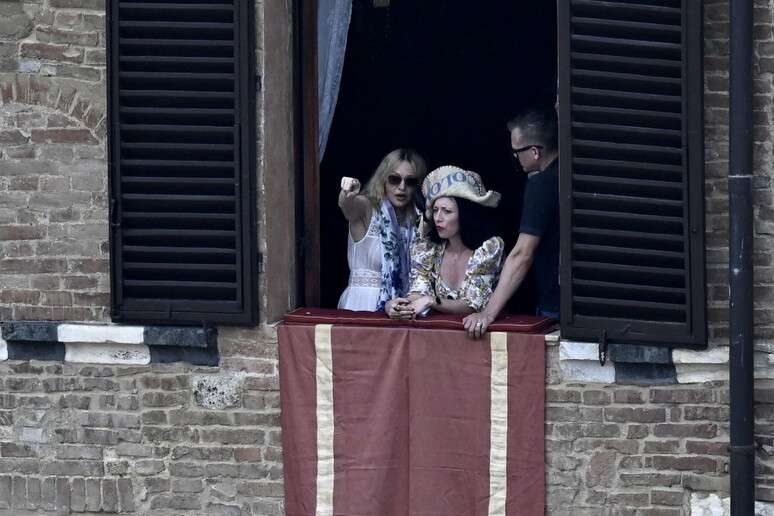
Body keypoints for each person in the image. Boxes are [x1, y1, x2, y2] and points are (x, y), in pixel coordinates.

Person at [464, 107, 559, 338]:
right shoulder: (570, 173)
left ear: (535, 152)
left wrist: (488, 313)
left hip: (555, 305)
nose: (515, 158)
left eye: (517, 152)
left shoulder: (541, 184)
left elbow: (522, 254)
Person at [385, 166, 504, 320]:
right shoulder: (428, 247)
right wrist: (396, 306)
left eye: (447, 211)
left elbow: (473, 305)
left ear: (465, 215)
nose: (438, 218)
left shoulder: (489, 248)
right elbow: (419, 292)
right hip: (441, 332)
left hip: (482, 332)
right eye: (435, 210)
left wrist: (431, 301)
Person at [337, 148, 428, 311]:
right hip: (363, 304)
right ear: (383, 179)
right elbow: (347, 206)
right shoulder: (367, 207)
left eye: (410, 182)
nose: (402, 187)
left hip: (401, 307)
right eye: (394, 179)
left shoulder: (418, 219)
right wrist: (347, 191)